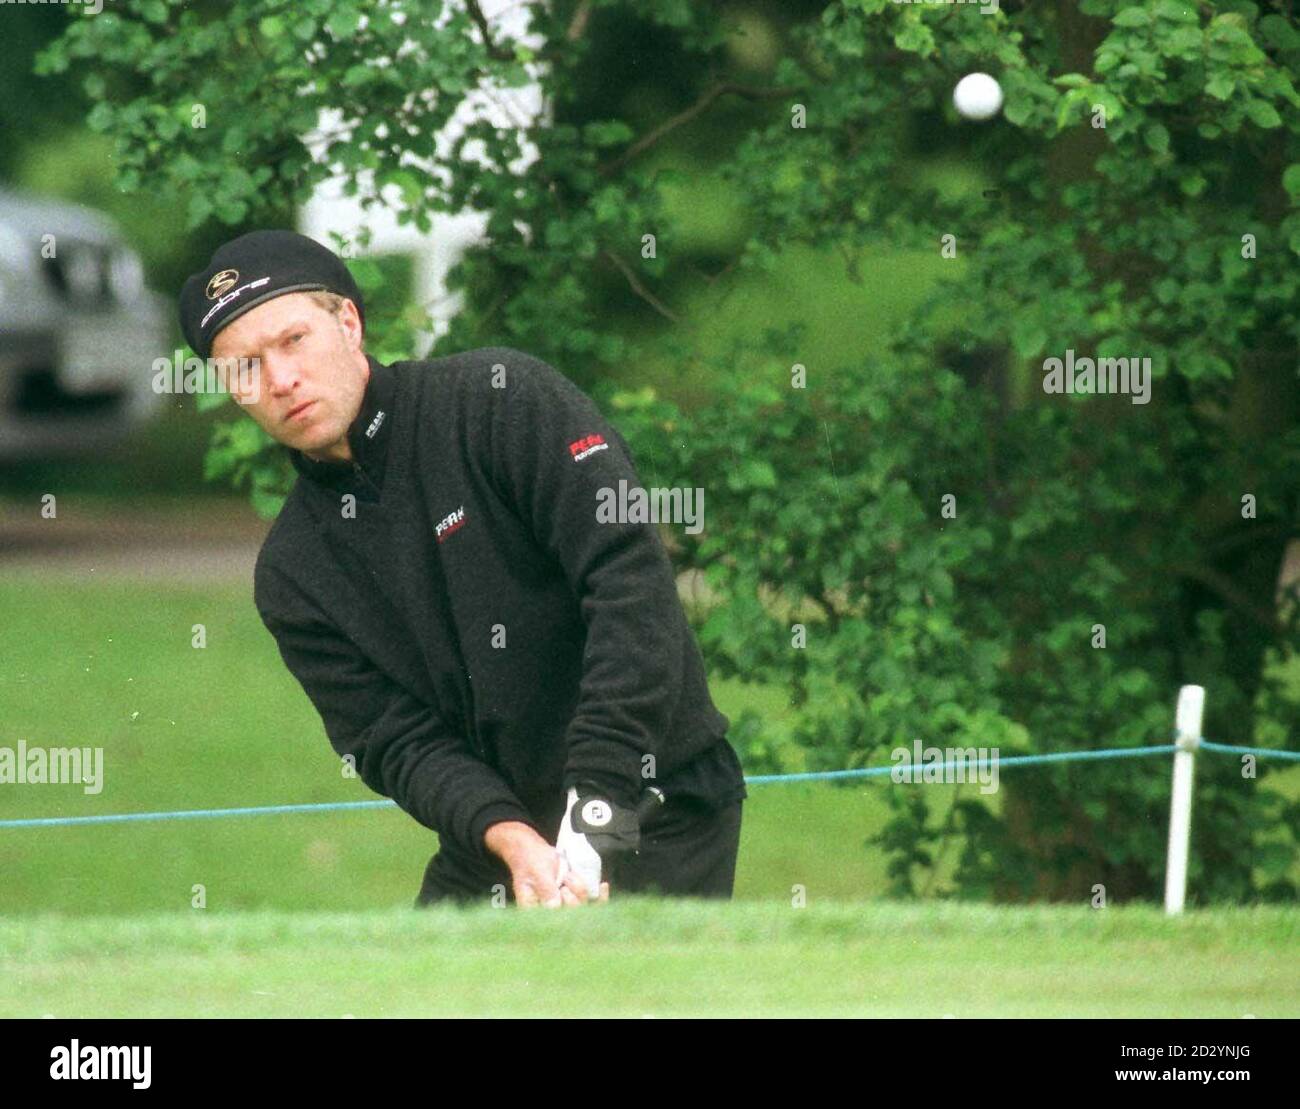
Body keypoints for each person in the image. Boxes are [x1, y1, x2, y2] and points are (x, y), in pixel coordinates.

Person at [179, 230, 747, 908]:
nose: (278, 380)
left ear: (349, 324)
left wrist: (594, 804)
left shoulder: (500, 401)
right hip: (501, 838)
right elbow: (397, 741)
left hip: (655, 796)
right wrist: (511, 838)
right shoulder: (292, 572)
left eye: (293, 340)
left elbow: (629, 585)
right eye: (243, 367)